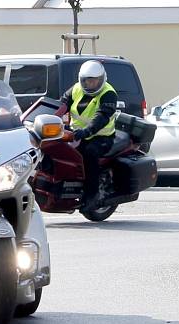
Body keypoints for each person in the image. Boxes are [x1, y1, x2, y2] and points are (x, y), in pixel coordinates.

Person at [60, 60, 118, 212]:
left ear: (101, 79)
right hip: (76, 134)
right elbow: (61, 104)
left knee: (89, 153)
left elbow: (102, 117)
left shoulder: (108, 93)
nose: (90, 83)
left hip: (101, 137)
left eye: (94, 80)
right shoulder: (77, 89)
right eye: (87, 80)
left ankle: (92, 195)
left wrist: (86, 131)